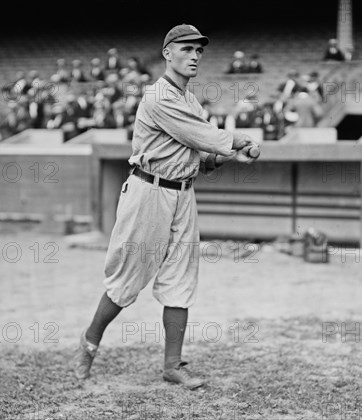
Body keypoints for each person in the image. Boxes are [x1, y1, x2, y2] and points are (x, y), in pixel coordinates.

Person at [72, 24, 260, 389]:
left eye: (199, 51)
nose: (194, 56)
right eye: (186, 49)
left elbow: (202, 157)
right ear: (167, 53)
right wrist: (239, 140)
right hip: (148, 192)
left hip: (182, 194)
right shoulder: (159, 96)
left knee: (181, 277)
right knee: (127, 278)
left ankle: (172, 365)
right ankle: (89, 342)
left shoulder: (189, 100)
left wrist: (229, 156)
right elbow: (206, 137)